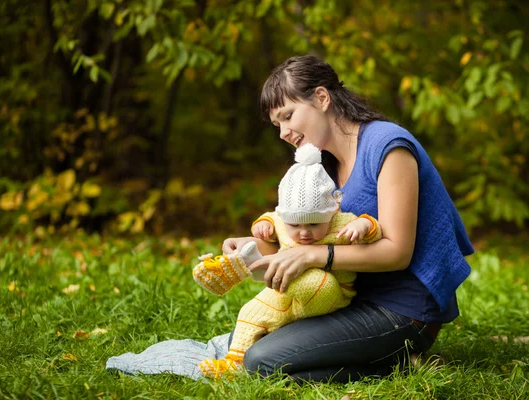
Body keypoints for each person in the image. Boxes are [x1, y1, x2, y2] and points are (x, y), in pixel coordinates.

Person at [219, 55, 474, 383]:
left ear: (322, 98)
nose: (283, 132)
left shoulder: (387, 147)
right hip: (350, 299)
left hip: (404, 312)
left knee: (261, 362)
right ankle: (385, 359)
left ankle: (401, 362)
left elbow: (397, 252)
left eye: (288, 116)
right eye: (277, 124)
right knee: (257, 339)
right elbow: (307, 239)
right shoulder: (322, 167)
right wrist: (254, 247)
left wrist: (315, 255)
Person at [192, 143, 382, 378]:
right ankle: (234, 364)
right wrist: (263, 225)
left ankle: (249, 268)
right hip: (286, 296)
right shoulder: (281, 221)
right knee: (250, 312)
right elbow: (270, 220)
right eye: (295, 225)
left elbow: (376, 231)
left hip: (329, 294)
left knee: (315, 279)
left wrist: (364, 225)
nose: (304, 233)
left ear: (332, 213)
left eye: (314, 224)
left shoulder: (341, 223)